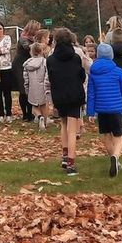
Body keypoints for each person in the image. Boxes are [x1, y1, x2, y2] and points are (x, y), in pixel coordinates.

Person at [86, 43, 122, 178]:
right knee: (118, 137)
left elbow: (91, 94)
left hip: (102, 110)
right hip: (116, 109)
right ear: (111, 56)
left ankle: (113, 158)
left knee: (106, 135)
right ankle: (116, 157)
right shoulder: (118, 72)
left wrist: (90, 112)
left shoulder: (93, 73)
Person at [47, 28, 87, 175]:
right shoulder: (76, 57)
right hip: (74, 95)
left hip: (59, 95)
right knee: (72, 129)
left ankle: (65, 155)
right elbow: (81, 75)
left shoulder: (50, 59)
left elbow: (51, 77)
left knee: (63, 124)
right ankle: (71, 162)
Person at [14, 22, 41, 122]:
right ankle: (25, 114)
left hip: (30, 63)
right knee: (23, 89)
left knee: (30, 88)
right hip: (20, 64)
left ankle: (30, 113)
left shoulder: (33, 39)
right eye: (37, 29)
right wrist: (38, 45)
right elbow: (28, 47)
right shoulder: (23, 38)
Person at [22, 40, 52, 131]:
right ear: (41, 51)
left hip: (32, 87)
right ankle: (45, 123)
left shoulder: (27, 64)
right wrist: (48, 86)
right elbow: (47, 75)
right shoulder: (45, 62)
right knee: (44, 105)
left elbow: (25, 77)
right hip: (43, 86)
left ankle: (39, 117)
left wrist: (26, 88)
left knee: (34, 106)